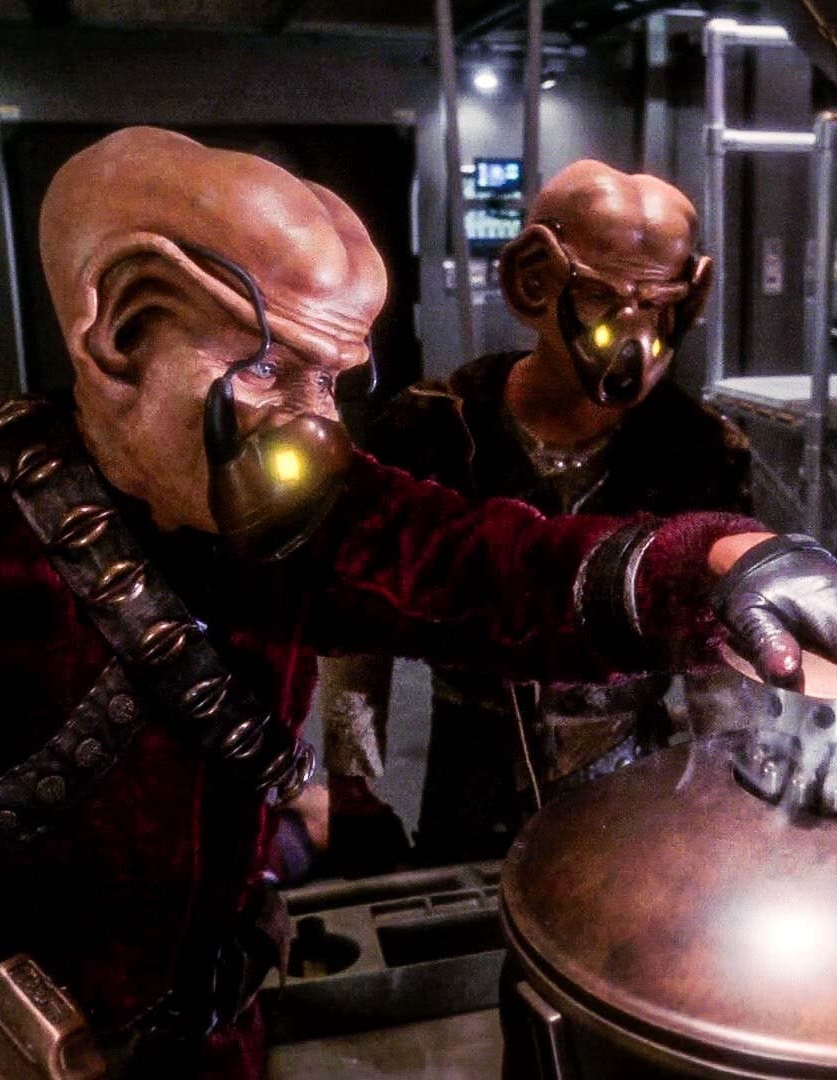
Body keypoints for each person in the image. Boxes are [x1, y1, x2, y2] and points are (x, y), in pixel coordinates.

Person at [0, 127, 837, 1079]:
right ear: (124, 329)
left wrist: (723, 567)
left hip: (217, 1047)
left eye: (337, 383)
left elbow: (500, 565)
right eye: (274, 371)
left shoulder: (308, 513)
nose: (316, 429)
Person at [317, 160, 754, 868]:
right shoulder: (435, 427)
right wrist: (352, 781)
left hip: (630, 777)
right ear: (536, 281)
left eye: (659, 304)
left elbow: (716, 649)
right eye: (604, 297)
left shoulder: (700, 451)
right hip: (471, 766)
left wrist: (727, 788)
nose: (635, 333)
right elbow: (356, 618)